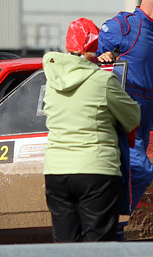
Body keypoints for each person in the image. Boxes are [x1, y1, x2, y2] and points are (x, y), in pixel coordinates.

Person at [42, 18, 140, 242]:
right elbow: (133, 117)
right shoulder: (103, 80)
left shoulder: (52, 79)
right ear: (96, 44)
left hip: (56, 171)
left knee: (65, 243)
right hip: (97, 170)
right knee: (97, 246)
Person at [96, 0, 153, 211]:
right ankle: (113, 219)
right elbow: (89, 59)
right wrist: (101, 57)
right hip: (123, 117)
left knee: (129, 176)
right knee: (140, 172)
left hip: (146, 118)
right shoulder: (121, 26)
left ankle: (114, 223)